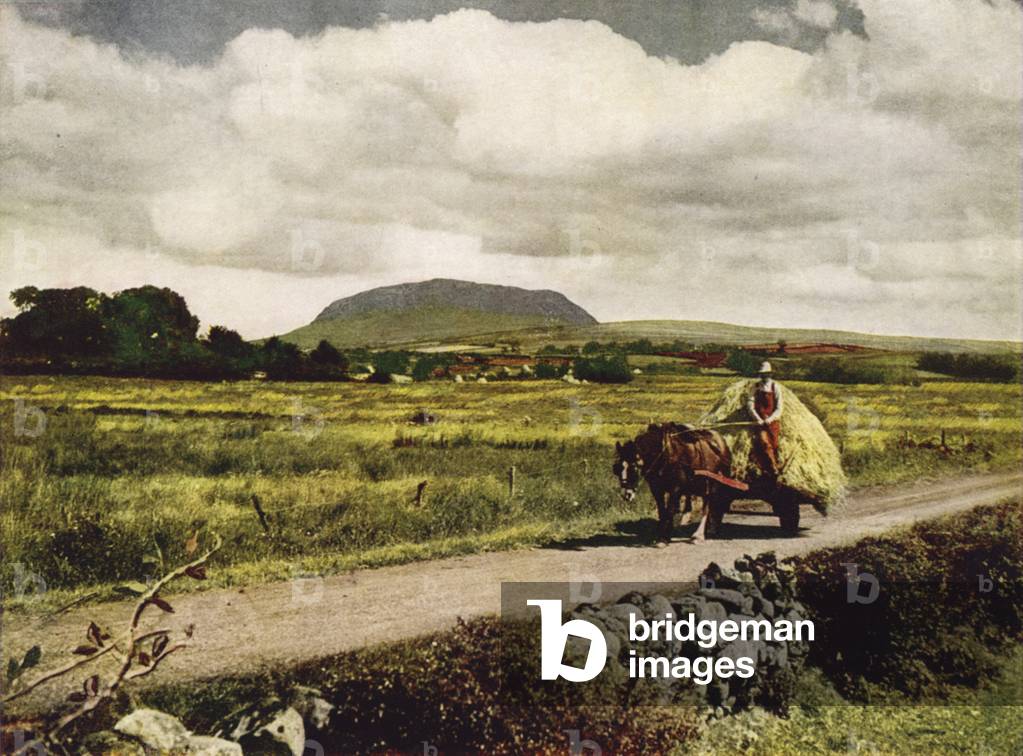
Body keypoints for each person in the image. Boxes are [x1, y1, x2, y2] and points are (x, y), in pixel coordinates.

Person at [747, 361, 783, 476]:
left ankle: (776, 464)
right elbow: (750, 404)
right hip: (760, 423)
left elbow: (779, 408)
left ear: (770, 374)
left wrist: (770, 419)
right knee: (764, 443)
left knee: (775, 445)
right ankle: (773, 469)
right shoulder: (755, 387)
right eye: (762, 374)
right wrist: (757, 418)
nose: (764, 376)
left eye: (766, 374)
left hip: (772, 423)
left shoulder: (775, 387)